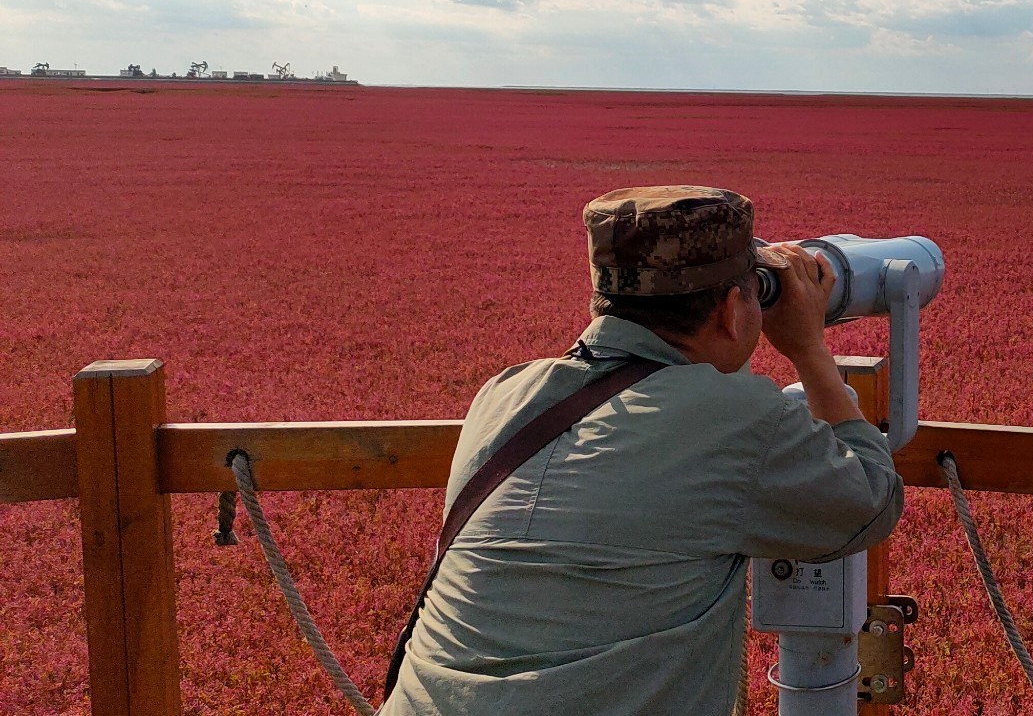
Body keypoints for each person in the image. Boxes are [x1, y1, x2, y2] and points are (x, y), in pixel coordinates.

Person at [382, 186, 904, 715]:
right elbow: (871, 502)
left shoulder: (506, 393)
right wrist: (810, 348)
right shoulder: (735, 419)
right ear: (729, 310)